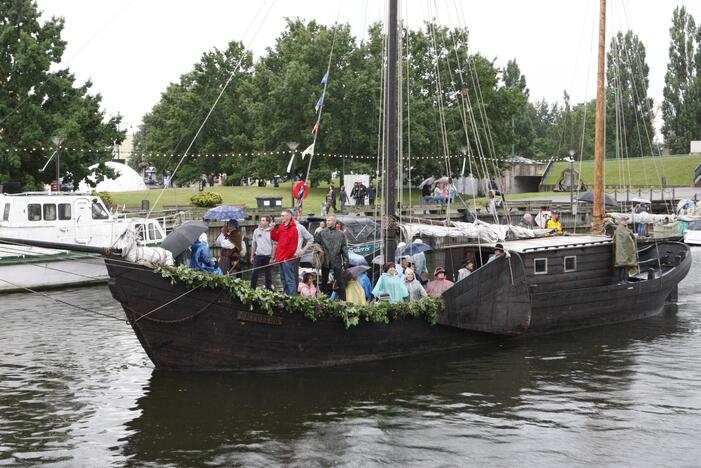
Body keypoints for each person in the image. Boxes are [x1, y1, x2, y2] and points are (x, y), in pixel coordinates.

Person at [314, 213, 349, 300]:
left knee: (340, 281)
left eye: (329, 220)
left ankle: (343, 300)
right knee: (324, 281)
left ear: (334, 222)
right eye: (327, 220)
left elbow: (344, 248)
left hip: (336, 260)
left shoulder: (341, 234)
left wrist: (346, 260)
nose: (327, 222)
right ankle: (323, 300)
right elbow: (315, 243)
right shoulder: (321, 233)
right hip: (325, 260)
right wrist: (317, 254)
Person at [270, 210, 299, 296]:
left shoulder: (294, 229)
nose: (281, 217)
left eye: (283, 216)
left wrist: (287, 257)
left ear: (288, 217)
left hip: (287, 259)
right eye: (281, 215)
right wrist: (272, 229)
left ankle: (292, 297)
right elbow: (275, 237)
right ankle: (286, 295)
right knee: (283, 278)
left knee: (289, 279)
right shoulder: (282, 227)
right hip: (280, 257)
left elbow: (293, 246)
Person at [250, 216, 275, 290]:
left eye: (263, 220)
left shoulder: (271, 231)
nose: (261, 222)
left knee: (268, 274)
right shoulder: (256, 231)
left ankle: (269, 289)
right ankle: (252, 288)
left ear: (267, 222)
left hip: (268, 256)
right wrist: (251, 256)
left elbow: (274, 245)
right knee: (254, 272)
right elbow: (254, 244)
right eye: (261, 220)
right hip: (258, 255)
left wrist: (272, 257)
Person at [613, 217, 637, 282]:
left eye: (626, 220)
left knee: (625, 266)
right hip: (621, 252)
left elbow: (629, 236)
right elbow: (621, 239)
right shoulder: (620, 229)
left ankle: (625, 280)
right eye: (625, 220)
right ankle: (621, 281)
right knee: (622, 266)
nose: (626, 222)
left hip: (625, 252)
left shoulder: (625, 228)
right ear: (621, 221)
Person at [294, 217, 315, 289]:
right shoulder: (283, 226)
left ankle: (294, 293)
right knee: (285, 276)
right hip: (284, 256)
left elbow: (310, 238)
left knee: (294, 274)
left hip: (296, 255)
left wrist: (303, 250)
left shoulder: (299, 227)